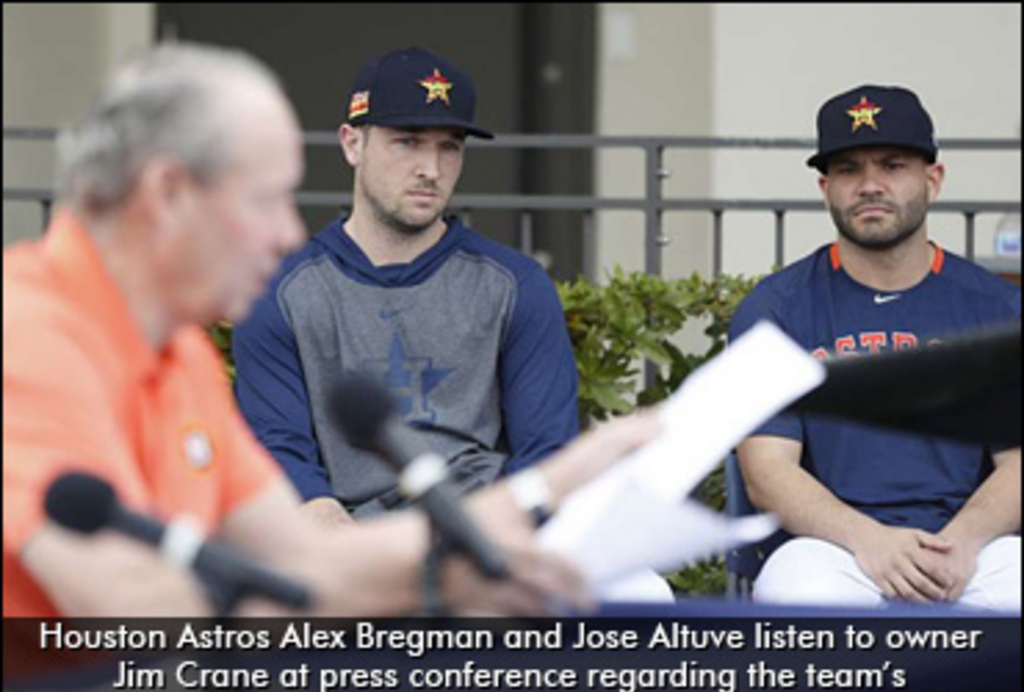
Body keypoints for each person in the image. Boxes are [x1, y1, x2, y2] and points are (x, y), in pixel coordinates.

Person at [2, 42, 659, 619]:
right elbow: (127, 606)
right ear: (168, 192)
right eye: (265, 199)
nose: (289, 234)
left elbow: (308, 562)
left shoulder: (181, 356)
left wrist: (547, 487)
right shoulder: (25, 334)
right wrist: (439, 577)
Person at [232, 47, 579, 526]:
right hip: (350, 543)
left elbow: (545, 453)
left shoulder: (516, 285)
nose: (431, 170)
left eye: (449, 146)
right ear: (353, 144)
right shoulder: (280, 293)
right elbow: (281, 456)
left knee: (647, 592)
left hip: (487, 533)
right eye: (407, 142)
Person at [729, 84, 1021, 610]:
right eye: (848, 169)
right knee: (799, 591)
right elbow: (768, 473)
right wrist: (871, 541)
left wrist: (960, 544)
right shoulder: (778, 308)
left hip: (973, 546)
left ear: (933, 179)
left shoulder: (997, 307)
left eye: (891, 165)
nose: (869, 185)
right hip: (833, 549)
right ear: (825, 187)